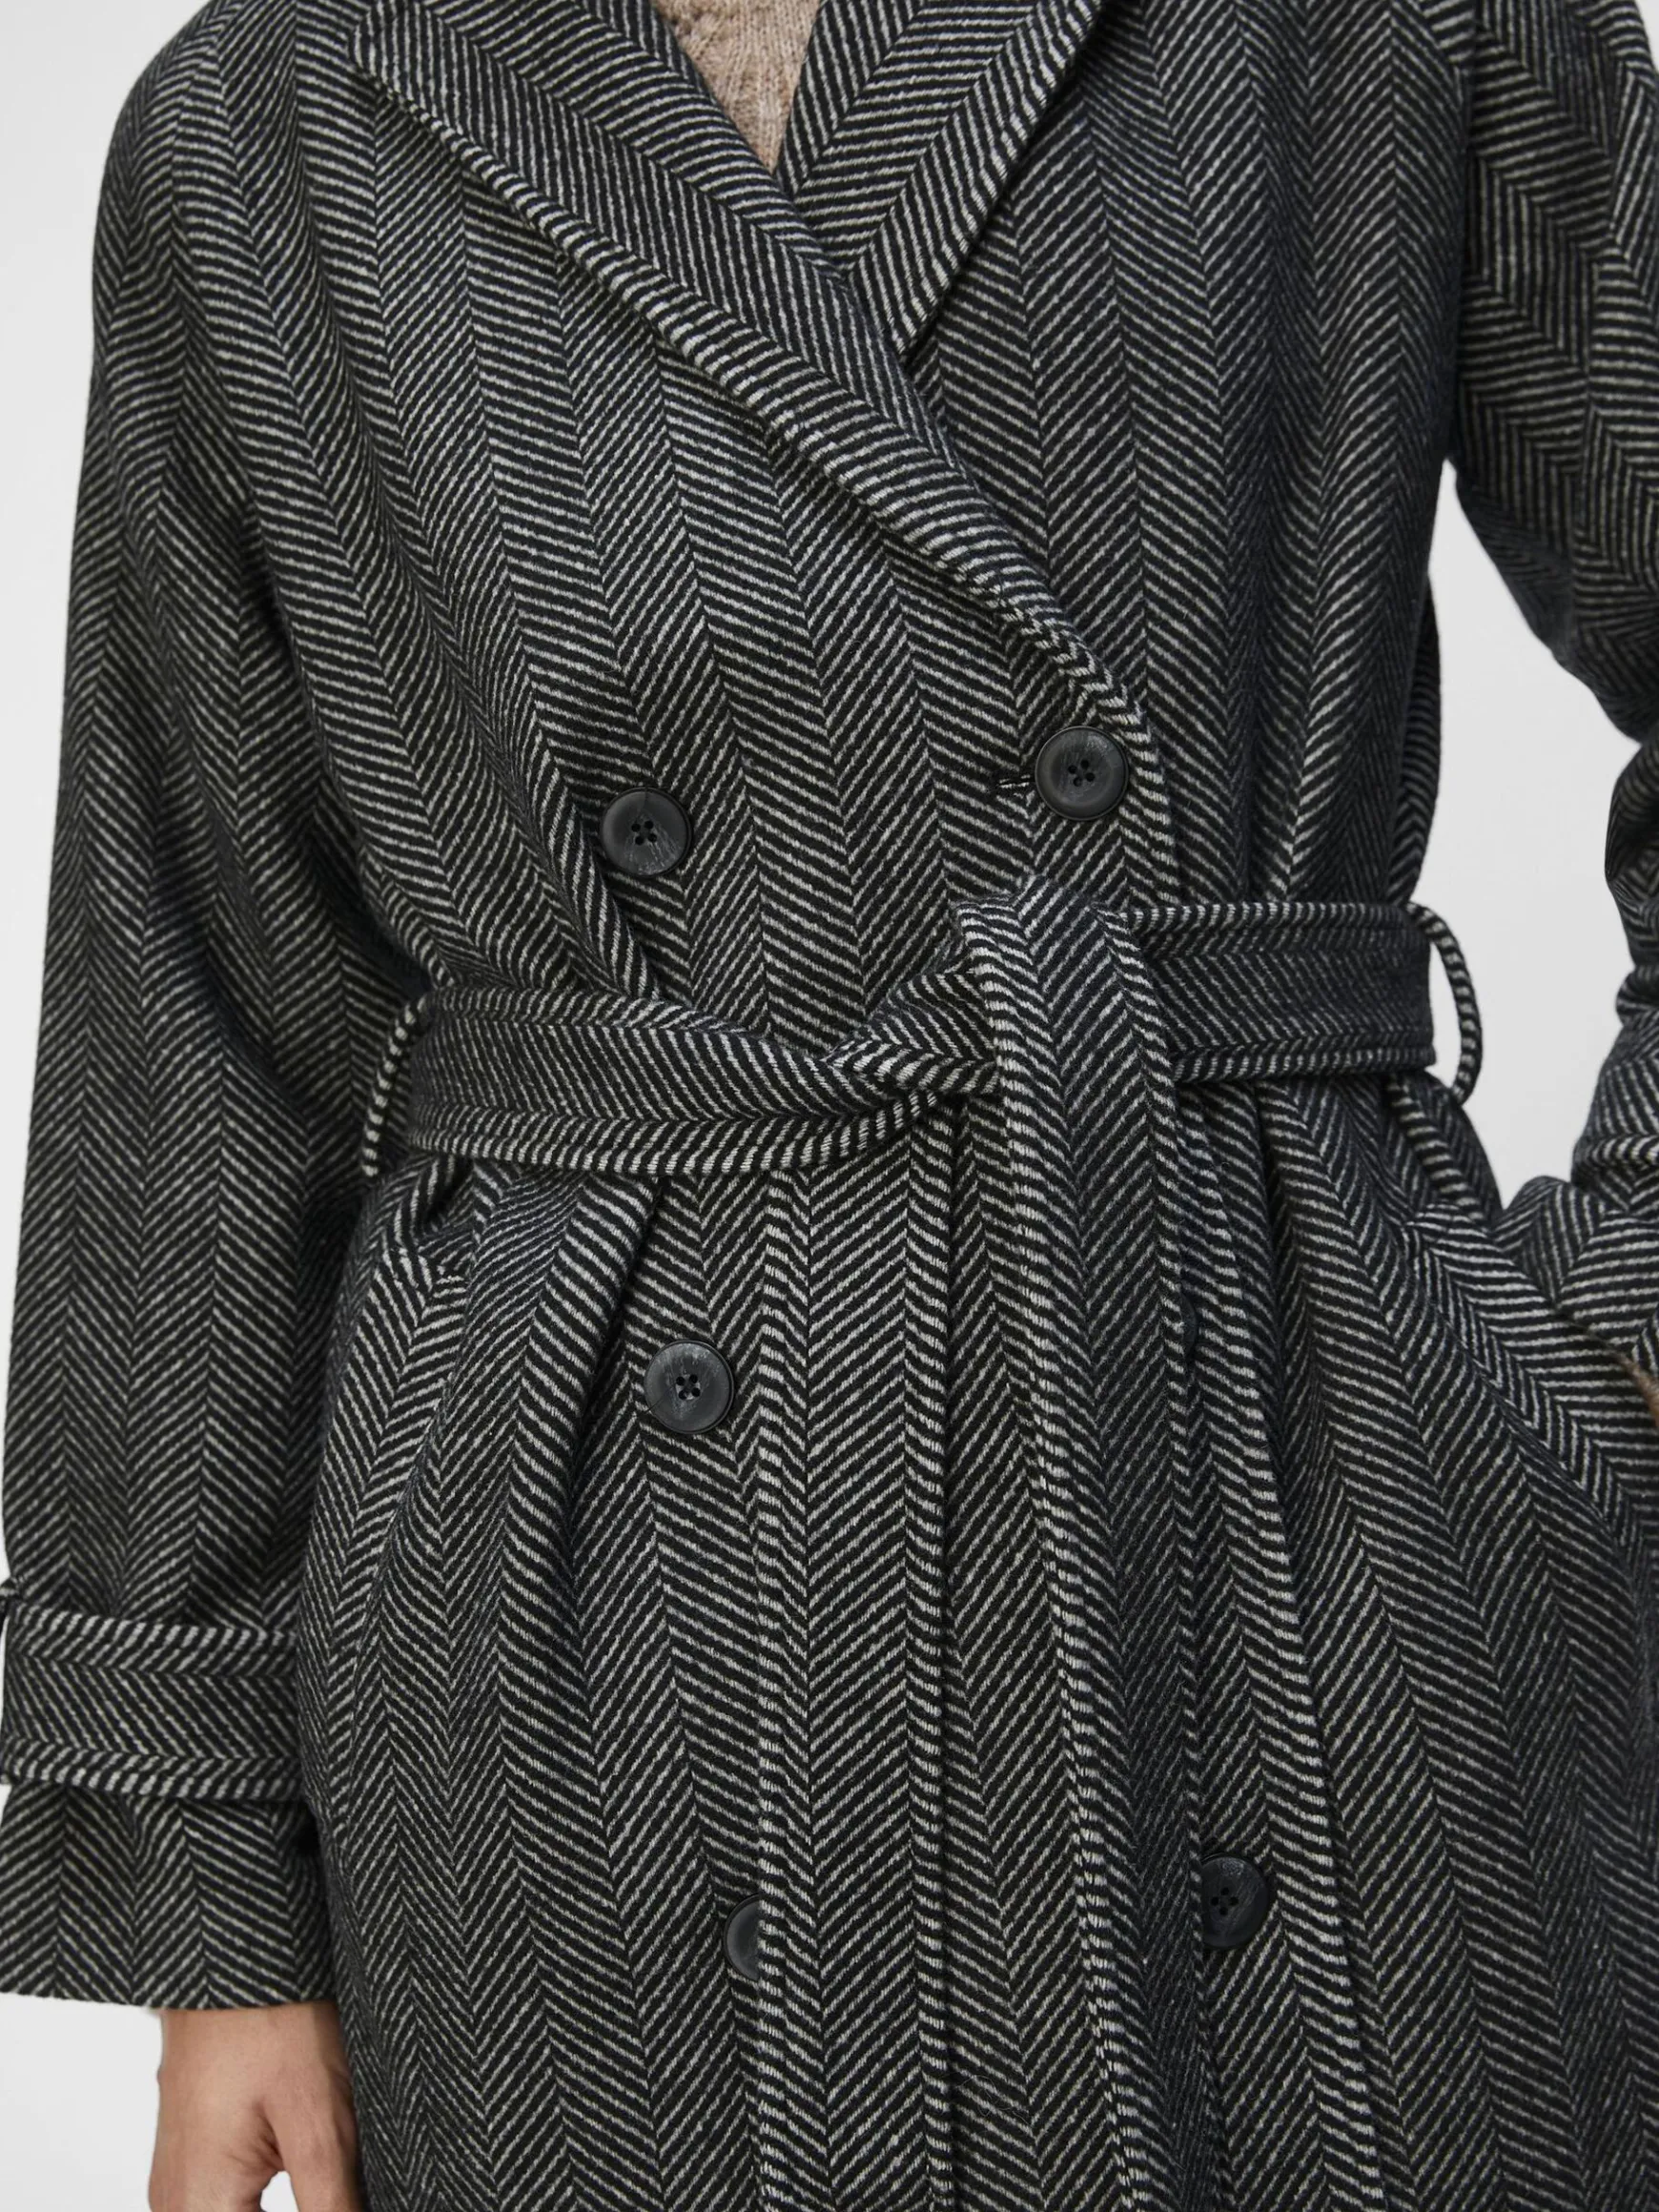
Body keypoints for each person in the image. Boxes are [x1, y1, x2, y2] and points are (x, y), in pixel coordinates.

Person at [4, 0, 1659, 2204]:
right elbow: (195, 1016)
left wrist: (1601, 1335)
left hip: (1290, 1485)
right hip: (578, 1644)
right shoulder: (266, 110)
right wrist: (214, 1894)